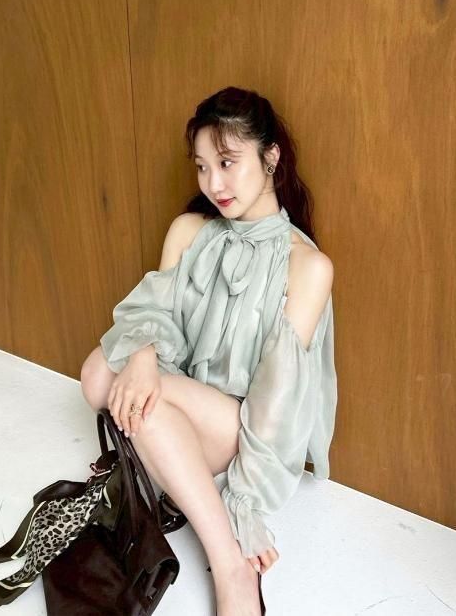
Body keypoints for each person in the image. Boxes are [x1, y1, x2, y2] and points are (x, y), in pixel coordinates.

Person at [80, 86, 337, 616]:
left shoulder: (308, 267)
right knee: (96, 376)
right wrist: (143, 358)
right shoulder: (189, 230)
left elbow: (276, 406)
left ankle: (231, 565)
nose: (213, 184)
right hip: (180, 399)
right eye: (201, 167)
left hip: (237, 431)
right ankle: (166, 446)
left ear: (271, 157)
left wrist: (245, 502)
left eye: (227, 162)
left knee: (134, 398)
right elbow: (153, 313)